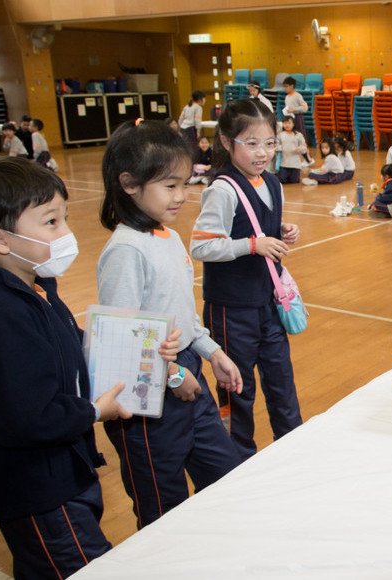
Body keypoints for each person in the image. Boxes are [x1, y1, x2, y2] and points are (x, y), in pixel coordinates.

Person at [0, 157, 134, 578]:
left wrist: (137, 349)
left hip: (64, 473)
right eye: (51, 222)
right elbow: (26, 418)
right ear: (0, 240)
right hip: (36, 490)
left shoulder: (37, 290)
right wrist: (95, 411)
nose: (67, 234)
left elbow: (74, 354)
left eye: (65, 219)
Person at [98, 120, 243, 528]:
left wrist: (212, 353)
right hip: (149, 398)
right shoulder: (126, 250)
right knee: (164, 509)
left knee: (226, 474)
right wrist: (175, 376)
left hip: (186, 377)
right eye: (169, 186)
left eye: (186, 183)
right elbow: (122, 344)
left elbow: (184, 316)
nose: (182, 196)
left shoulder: (168, 235)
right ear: (129, 183)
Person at [190, 98, 303, 460]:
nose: (262, 152)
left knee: (282, 386)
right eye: (251, 143)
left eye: (269, 143)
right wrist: (252, 244)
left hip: (268, 304)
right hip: (231, 309)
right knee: (238, 393)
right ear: (226, 142)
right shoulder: (222, 189)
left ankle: (294, 452)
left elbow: (261, 230)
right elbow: (201, 246)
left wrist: (281, 231)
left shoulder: (272, 182)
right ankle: (239, 464)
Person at [276, 115, 308, 184]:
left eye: (289, 123)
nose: (287, 125)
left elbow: (304, 147)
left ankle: (296, 175)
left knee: (294, 181)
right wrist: (280, 148)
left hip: (295, 164)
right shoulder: (280, 135)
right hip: (284, 163)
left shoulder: (298, 135)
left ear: (293, 124)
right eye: (285, 123)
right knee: (282, 180)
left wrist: (300, 148)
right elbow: (276, 144)